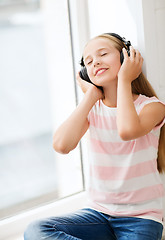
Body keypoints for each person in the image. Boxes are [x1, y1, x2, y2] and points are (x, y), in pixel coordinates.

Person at [24, 33, 165, 240]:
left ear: (126, 58)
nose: (95, 61)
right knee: (36, 230)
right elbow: (62, 145)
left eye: (103, 54)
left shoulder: (152, 107)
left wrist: (125, 79)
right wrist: (90, 96)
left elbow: (126, 131)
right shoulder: (93, 108)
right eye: (88, 61)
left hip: (141, 218)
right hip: (98, 214)